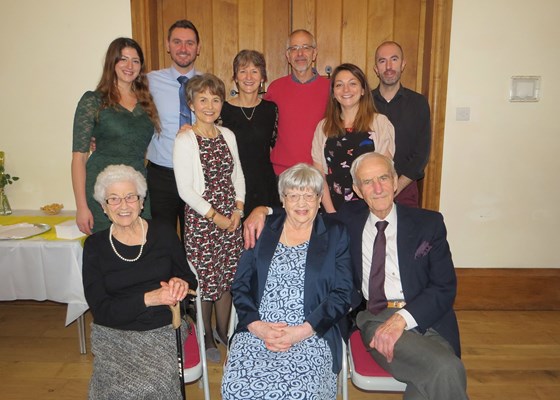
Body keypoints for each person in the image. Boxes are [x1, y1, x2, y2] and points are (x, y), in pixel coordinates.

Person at [339, 152, 468, 400]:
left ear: (396, 181)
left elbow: (444, 287)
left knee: (427, 386)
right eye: (368, 182)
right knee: (447, 368)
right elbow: (302, 215)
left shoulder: (428, 223)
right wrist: (264, 211)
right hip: (377, 318)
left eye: (384, 178)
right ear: (357, 189)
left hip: (429, 318)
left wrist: (401, 320)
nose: (378, 189)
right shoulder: (348, 220)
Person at [221, 163, 353, 400]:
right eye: (293, 195)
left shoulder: (335, 233)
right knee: (236, 390)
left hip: (312, 332)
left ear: (320, 198)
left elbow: (343, 293)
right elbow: (240, 285)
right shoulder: (262, 229)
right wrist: (257, 326)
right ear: (282, 200)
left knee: (299, 394)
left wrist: (301, 331)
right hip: (257, 331)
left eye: (309, 195)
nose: (301, 203)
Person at [82, 164, 197, 399]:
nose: (123, 205)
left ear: (142, 202)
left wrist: (180, 284)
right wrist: (148, 298)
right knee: (114, 391)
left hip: (161, 328)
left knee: (153, 386)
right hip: (113, 331)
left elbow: (188, 277)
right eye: (113, 199)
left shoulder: (164, 233)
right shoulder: (95, 246)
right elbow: (100, 309)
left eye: (130, 197)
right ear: (104, 207)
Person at [173, 73, 245, 364]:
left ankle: (223, 331)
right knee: (204, 282)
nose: (209, 105)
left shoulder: (228, 135)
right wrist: (216, 217)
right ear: (191, 103)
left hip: (231, 218)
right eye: (202, 99)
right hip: (204, 221)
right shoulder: (186, 139)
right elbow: (185, 189)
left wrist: (238, 210)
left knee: (227, 278)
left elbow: (237, 173)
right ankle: (204, 336)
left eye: (215, 99)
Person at [72, 37, 159, 235]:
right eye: (123, 59)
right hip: (102, 191)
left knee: (140, 247)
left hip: (137, 190)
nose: (130, 66)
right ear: (112, 62)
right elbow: (79, 158)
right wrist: (81, 207)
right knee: (107, 251)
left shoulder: (147, 102)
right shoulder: (93, 101)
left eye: (135, 61)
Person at [311, 63, 395, 212]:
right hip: (333, 208)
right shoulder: (323, 127)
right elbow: (319, 177)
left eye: (352, 84)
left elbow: (385, 175)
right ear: (333, 93)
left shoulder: (380, 123)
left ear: (363, 90)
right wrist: (331, 213)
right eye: (339, 85)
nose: (346, 90)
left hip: (370, 210)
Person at [146, 19, 202, 237]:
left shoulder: (208, 84)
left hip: (198, 175)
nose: (183, 48)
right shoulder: (149, 81)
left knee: (196, 240)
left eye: (190, 43)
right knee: (161, 239)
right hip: (161, 176)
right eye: (177, 42)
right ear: (167, 45)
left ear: (198, 48)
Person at [219, 50, 281, 217]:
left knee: (263, 237)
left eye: (254, 71)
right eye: (243, 71)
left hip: (263, 184)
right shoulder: (222, 110)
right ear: (235, 77)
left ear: (262, 78)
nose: (248, 77)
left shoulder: (271, 110)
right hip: (232, 183)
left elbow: (274, 144)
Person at [372, 41, 431, 207]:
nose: (389, 66)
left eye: (394, 59)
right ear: (376, 68)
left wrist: (395, 188)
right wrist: (376, 188)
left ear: (403, 64)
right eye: (382, 61)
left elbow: (421, 155)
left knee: (404, 233)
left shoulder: (418, 103)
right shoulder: (364, 104)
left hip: (405, 189)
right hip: (370, 190)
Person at [264, 29, 330, 175]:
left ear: (314, 53)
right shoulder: (275, 89)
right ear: (288, 56)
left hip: (318, 172)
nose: (300, 54)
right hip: (282, 172)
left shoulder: (331, 89)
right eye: (294, 49)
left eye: (306, 48)